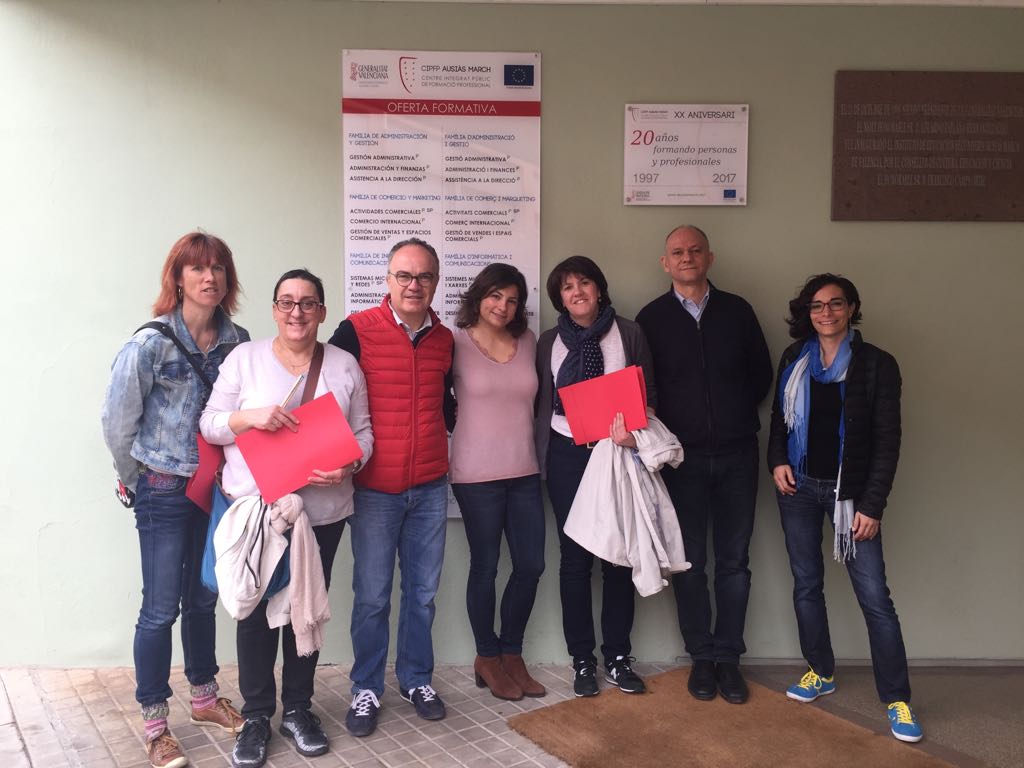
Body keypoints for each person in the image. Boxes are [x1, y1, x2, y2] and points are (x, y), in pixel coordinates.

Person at [199, 269, 373, 768]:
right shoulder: (244, 360)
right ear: (274, 310)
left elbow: (364, 432)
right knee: (254, 612)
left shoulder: (343, 366)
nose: (296, 312)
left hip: (321, 514)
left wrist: (350, 463)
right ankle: (256, 715)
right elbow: (210, 424)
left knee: (304, 611)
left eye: (308, 303)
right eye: (286, 302)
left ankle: (298, 709)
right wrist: (250, 418)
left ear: (321, 311)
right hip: (258, 513)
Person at [101, 232, 248, 768]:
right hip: (162, 490)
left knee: (204, 598)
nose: (209, 277)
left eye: (218, 269)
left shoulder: (241, 342)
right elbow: (118, 422)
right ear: (179, 279)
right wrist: (131, 479)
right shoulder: (149, 344)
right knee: (160, 608)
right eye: (197, 269)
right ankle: (155, 723)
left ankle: (205, 699)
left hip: (216, 490)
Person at [767, 273, 922, 743]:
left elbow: (887, 441)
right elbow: (779, 419)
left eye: (836, 304)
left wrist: (872, 506)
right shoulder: (794, 358)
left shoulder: (877, 364)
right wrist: (777, 461)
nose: (826, 312)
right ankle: (821, 670)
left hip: (849, 495)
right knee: (807, 585)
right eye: (817, 306)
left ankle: (897, 700)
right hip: (797, 490)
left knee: (876, 600)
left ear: (852, 308)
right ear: (806, 313)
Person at [636, 225, 772, 705]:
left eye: (695, 250)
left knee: (735, 563)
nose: (687, 257)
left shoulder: (738, 311)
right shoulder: (650, 319)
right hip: (681, 460)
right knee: (689, 564)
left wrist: (730, 416)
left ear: (709, 258)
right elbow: (644, 390)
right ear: (665, 263)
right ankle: (702, 658)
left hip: (738, 454)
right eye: (678, 252)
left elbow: (761, 376)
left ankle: (730, 659)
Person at [328, 237, 454, 737]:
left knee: (422, 595)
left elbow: (449, 403)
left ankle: (416, 679)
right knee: (374, 596)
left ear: (435, 283)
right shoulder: (356, 330)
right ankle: (365, 687)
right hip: (374, 490)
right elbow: (326, 397)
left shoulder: (445, 339)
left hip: (429, 486)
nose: (413, 285)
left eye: (423, 276)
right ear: (387, 280)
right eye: (403, 275)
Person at [536, 255, 657, 698]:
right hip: (567, 455)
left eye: (584, 282)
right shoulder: (549, 341)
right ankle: (582, 659)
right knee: (574, 560)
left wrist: (636, 433)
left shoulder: (628, 332)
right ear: (560, 299)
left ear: (599, 288)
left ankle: (618, 657)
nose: (577, 292)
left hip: (616, 454)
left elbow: (650, 393)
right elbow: (541, 403)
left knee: (618, 557)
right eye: (567, 287)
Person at [450, 264, 546, 701]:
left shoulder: (529, 342)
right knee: (485, 567)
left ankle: (512, 653)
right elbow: (434, 401)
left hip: (525, 470)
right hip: (475, 475)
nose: (502, 306)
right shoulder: (453, 342)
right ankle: (486, 656)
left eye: (511, 300)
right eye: (495, 296)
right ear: (478, 295)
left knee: (531, 565)